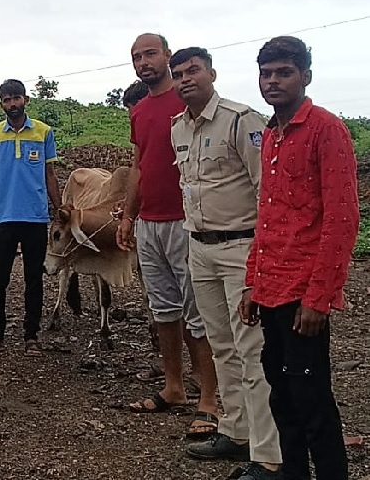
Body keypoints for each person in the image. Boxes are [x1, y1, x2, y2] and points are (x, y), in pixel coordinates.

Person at [240, 36, 358, 480]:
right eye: (266, 73)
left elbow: (342, 219)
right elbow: (267, 214)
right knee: (281, 397)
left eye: (283, 72)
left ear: (305, 76)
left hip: (303, 292)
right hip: (270, 288)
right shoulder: (270, 133)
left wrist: (319, 297)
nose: (273, 81)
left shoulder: (326, 130)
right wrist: (253, 281)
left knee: (312, 400)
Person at [168, 48, 281, 478]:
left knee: (253, 350)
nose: (185, 79)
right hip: (200, 247)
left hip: (240, 248)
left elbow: (264, 193)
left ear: (211, 73)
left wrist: (261, 260)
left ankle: (268, 457)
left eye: (193, 70)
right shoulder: (178, 128)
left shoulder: (241, 121)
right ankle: (236, 433)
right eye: (178, 74)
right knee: (221, 345)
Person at [115, 35, 219, 438]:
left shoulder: (189, 101)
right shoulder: (139, 110)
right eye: (136, 57)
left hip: (187, 221)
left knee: (198, 312)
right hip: (150, 223)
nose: (143, 61)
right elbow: (139, 165)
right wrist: (128, 216)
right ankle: (173, 387)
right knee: (163, 309)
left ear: (167, 57)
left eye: (150, 54)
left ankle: (209, 397)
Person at [0, 79, 61, 356]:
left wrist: (59, 211)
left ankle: (31, 336)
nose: (12, 104)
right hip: (3, 217)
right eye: (6, 100)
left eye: (16, 98)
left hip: (35, 217)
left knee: (34, 278)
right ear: (1, 103)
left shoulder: (43, 132)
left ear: (26, 100)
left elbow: (49, 175)